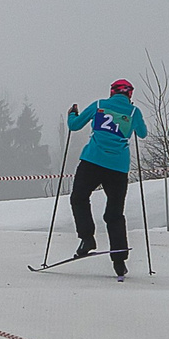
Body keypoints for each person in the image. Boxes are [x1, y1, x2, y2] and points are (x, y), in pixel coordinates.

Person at [64, 79, 149, 279]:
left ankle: (87, 238)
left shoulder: (100, 105)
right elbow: (143, 134)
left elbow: (75, 126)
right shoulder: (134, 113)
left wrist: (72, 114)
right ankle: (119, 261)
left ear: (112, 92)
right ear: (129, 95)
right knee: (114, 214)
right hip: (118, 168)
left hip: (92, 161)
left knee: (79, 198)